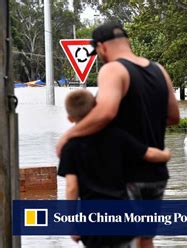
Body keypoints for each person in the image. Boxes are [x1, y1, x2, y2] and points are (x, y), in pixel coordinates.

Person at [56, 22, 180, 248]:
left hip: (127, 175)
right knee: (145, 239)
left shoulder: (113, 69)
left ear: (102, 47)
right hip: (156, 175)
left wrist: (68, 137)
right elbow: (174, 116)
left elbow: (106, 112)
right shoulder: (158, 69)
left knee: (125, 241)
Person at [58, 89, 172, 248]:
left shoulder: (70, 148)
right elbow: (148, 154)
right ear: (96, 109)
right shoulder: (117, 136)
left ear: (70, 118)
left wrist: (72, 224)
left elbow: (72, 188)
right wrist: (166, 154)